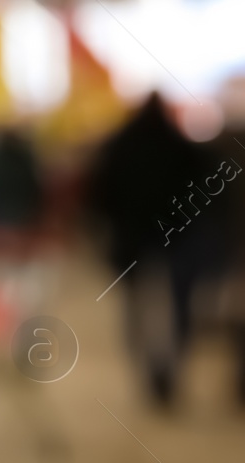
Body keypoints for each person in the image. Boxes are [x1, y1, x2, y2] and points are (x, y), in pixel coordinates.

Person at [84, 93, 226, 406]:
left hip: (132, 240)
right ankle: (168, 367)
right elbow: (204, 193)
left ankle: (149, 370)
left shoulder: (118, 147)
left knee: (136, 309)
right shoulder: (181, 149)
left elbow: (98, 196)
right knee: (179, 306)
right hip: (177, 238)